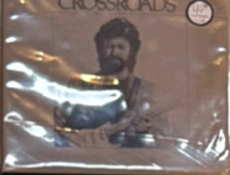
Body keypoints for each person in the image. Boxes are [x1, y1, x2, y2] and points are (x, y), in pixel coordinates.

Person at [53, 17, 165, 148]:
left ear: (131, 51)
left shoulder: (148, 91)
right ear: (101, 50)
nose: (114, 52)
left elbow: (165, 143)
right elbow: (61, 132)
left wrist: (146, 132)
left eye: (120, 47)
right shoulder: (79, 86)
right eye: (109, 47)